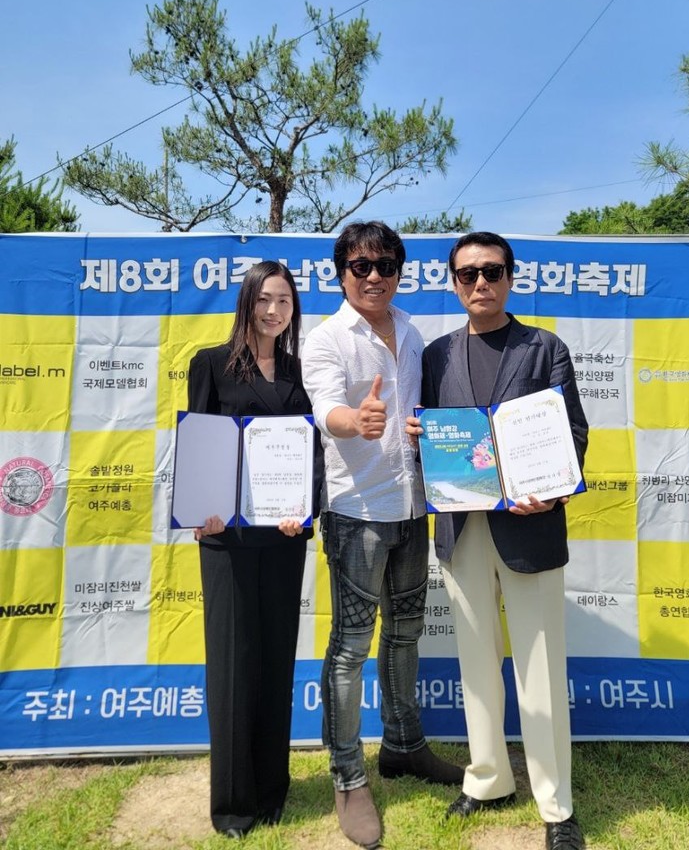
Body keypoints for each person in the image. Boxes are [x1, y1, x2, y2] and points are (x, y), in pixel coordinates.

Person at [407, 231, 588, 850]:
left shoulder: (545, 347)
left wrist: (555, 489)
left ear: (510, 277)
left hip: (530, 522)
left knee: (541, 665)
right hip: (462, 526)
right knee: (475, 660)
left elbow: (573, 433)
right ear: (454, 283)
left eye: (491, 271)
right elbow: (431, 438)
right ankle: (487, 779)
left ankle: (556, 806)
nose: (480, 283)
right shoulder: (435, 356)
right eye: (467, 274)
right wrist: (419, 437)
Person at [301, 221, 463, 849]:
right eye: (361, 266)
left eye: (386, 266)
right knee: (349, 648)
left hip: (412, 506)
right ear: (341, 272)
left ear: (399, 271)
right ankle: (348, 776)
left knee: (406, 633)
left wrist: (418, 428)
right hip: (356, 512)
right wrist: (356, 419)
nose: (374, 277)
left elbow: (419, 411)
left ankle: (403, 745)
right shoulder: (326, 339)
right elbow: (326, 410)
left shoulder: (413, 332)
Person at [188, 260, 322, 839]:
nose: (274, 310)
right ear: (247, 301)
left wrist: (305, 509)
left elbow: (311, 451)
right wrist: (200, 507)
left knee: (275, 658)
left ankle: (272, 791)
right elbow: (199, 439)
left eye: (284, 301)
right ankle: (234, 804)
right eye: (264, 299)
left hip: (284, 537)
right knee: (233, 664)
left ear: (294, 309)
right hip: (228, 539)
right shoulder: (211, 364)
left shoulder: (299, 371)